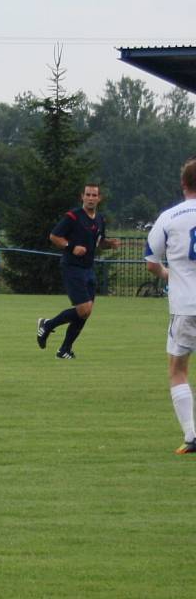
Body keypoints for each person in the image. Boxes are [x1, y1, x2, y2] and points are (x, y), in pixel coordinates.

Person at [144, 156, 196, 454]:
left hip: (185, 305)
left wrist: (169, 274)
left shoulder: (169, 217)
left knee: (178, 369)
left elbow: (151, 262)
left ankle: (191, 435)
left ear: (182, 184)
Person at [36, 184, 120, 359]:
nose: (90, 198)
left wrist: (109, 243)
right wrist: (71, 247)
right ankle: (48, 324)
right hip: (72, 267)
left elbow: (99, 242)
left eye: (94, 195)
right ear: (82, 196)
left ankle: (64, 349)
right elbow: (54, 236)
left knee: (87, 312)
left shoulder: (100, 219)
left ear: (99, 198)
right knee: (83, 309)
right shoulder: (73, 216)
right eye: (87, 194)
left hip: (88, 268)